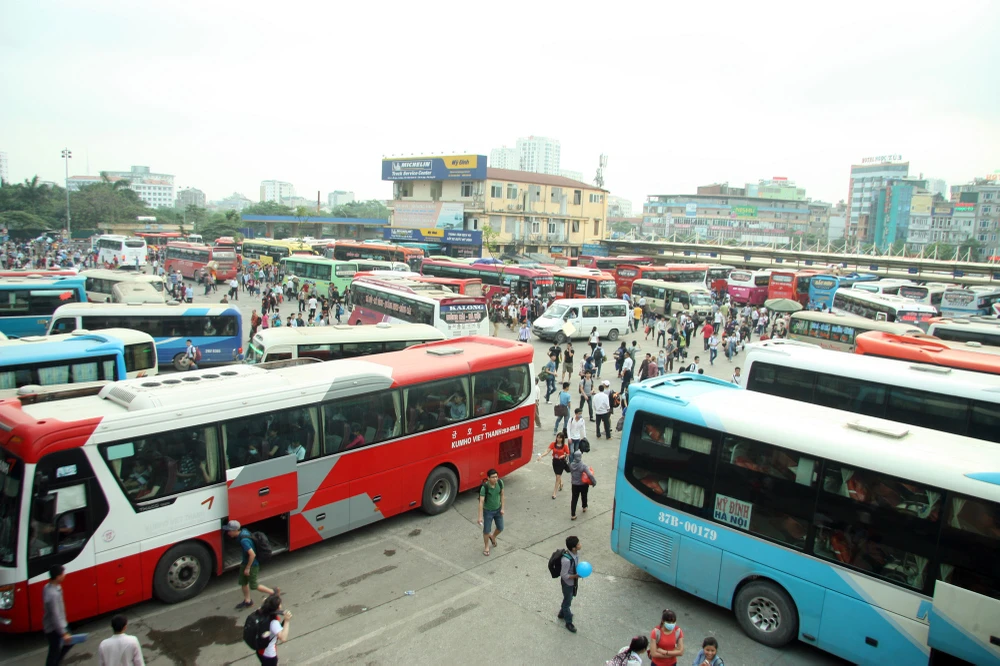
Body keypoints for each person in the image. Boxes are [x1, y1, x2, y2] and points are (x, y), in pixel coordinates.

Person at [225, 520, 277, 610]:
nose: (228, 533)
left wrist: (248, 568)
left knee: (254, 585)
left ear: (235, 530)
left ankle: (273, 593)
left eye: (229, 531)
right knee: (243, 582)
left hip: (252, 565)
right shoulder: (244, 532)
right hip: (245, 563)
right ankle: (247, 601)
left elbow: (252, 554)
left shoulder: (244, 540)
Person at [43, 565, 73, 666]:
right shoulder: (53, 595)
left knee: (56, 649)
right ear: (57, 577)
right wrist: (63, 633)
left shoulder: (49, 587)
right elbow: (55, 615)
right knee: (55, 650)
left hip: (58, 624)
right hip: (54, 628)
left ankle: (56, 662)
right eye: (62, 574)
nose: (64, 575)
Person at [256, 593, 293, 666]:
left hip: (259, 649)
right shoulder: (273, 622)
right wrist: (287, 621)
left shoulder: (260, 611)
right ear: (277, 608)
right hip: (269, 654)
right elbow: (283, 638)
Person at [477, 469, 505, 556]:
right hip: (488, 511)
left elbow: (502, 495)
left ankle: (493, 536)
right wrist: (480, 517)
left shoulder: (500, 483)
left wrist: (502, 508)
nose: (495, 479)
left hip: (498, 510)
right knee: (486, 531)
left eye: (496, 477)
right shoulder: (484, 487)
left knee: (500, 527)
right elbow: (481, 502)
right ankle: (486, 547)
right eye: (493, 477)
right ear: (488, 478)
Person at [558, 535, 582, 633]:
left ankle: (561, 613)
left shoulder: (575, 554)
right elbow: (563, 575)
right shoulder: (566, 560)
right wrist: (575, 576)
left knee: (569, 598)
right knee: (568, 602)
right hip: (568, 583)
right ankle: (569, 622)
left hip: (573, 582)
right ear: (573, 548)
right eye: (578, 544)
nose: (580, 545)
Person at [537, 431, 570, 499]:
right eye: (557, 437)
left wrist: (563, 455)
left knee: (557, 477)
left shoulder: (565, 446)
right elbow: (547, 451)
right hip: (555, 462)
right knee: (557, 475)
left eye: (560, 438)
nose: (558, 439)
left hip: (561, 462)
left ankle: (554, 492)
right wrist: (541, 456)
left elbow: (568, 453)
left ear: (562, 439)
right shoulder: (553, 444)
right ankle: (561, 483)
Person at [569, 451, 594, 520]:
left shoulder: (571, 465)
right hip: (583, 484)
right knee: (584, 495)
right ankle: (584, 507)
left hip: (574, 484)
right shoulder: (583, 466)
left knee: (574, 499)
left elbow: (570, 471)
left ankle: (573, 514)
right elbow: (590, 475)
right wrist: (593, 482)